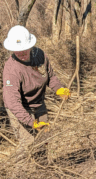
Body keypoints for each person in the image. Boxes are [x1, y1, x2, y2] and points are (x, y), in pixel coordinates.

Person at [3, 25, 70, 161]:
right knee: (28, 144)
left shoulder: (39, 55)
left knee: (43, 139)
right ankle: (20, 177)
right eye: (17, 50)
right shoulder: (12, 70)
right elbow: (12, 102)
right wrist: (30, 121)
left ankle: (42, 169)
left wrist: (59, 88)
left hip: (38, 104)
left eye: (23, 49)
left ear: (30, 45)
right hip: (20, 109)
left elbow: (50, 76)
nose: (21, 53)